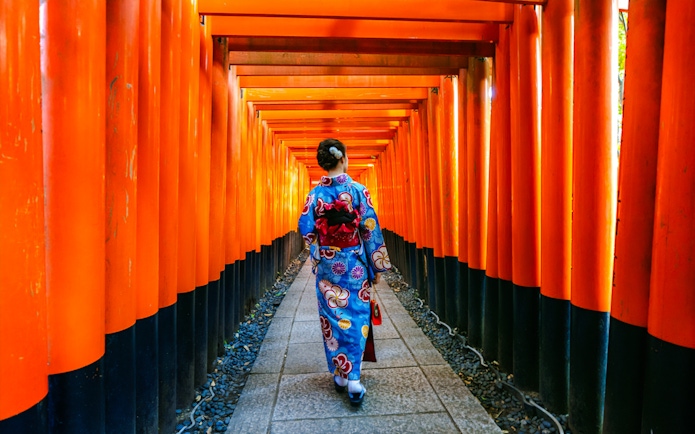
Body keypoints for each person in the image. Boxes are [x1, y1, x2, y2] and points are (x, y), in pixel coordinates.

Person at [298, 138, 391, 407]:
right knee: (357, 316)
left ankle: (341, 373)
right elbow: (370, 229)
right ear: (344, 159)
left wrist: (319, 257)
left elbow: (307, 231)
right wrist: (377, 266)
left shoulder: (314, 196)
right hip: (354, 265)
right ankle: (354, 380)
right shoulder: (360, 191)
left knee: (332, 317)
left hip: (329, 266)